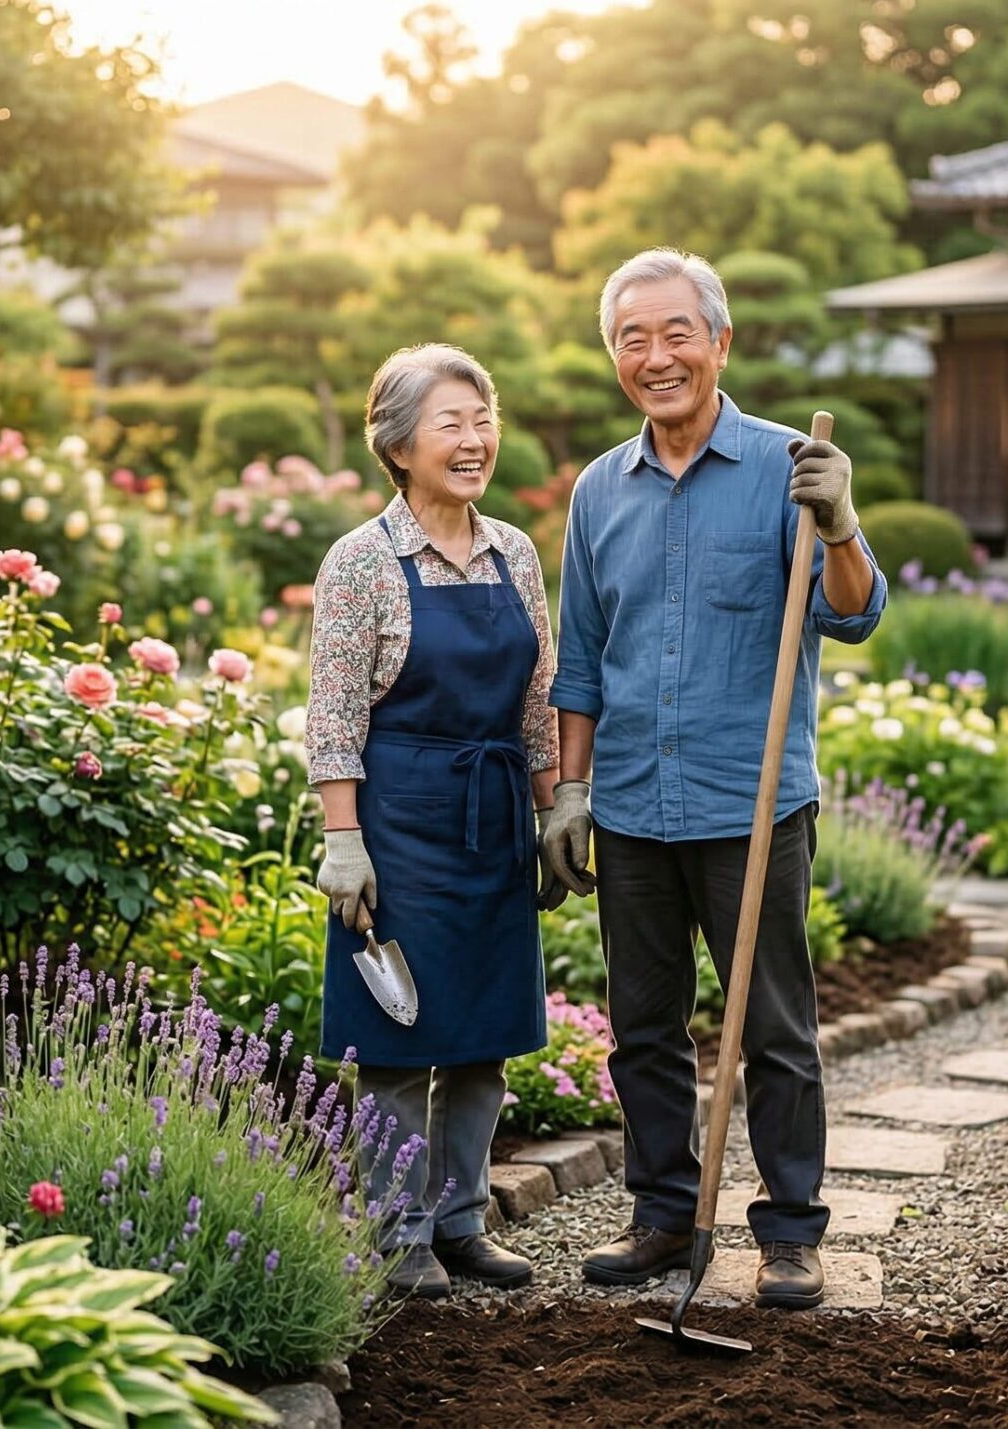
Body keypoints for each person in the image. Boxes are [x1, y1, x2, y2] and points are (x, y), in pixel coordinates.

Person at [540, 248, 887, 1309]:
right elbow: (584, 658)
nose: (656, 355)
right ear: (615, 358)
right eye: (631, 339)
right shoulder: (600, 489)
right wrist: (569, 788)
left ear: (719, 342)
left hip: (751, 800)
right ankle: (659, 1212)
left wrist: (840, 523)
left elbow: (856, 611)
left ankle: (788, 1231)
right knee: (642, 1025)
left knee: (774, 1024)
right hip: (635, 803)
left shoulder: (790, 466)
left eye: (675, 332)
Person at [307, 343, 563, 1298]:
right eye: (451, 423)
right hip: (400, 822)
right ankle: (394, 1230)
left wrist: (553, 812)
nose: (474, 440)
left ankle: (460, 1220)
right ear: (398, 443)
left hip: (492, 815)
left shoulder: (515, 551)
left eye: (482, 420)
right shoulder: (362, 561)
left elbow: (537, 699)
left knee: (483, 1037)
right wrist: (344, 840)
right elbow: (333, 713)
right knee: (400, 1039)